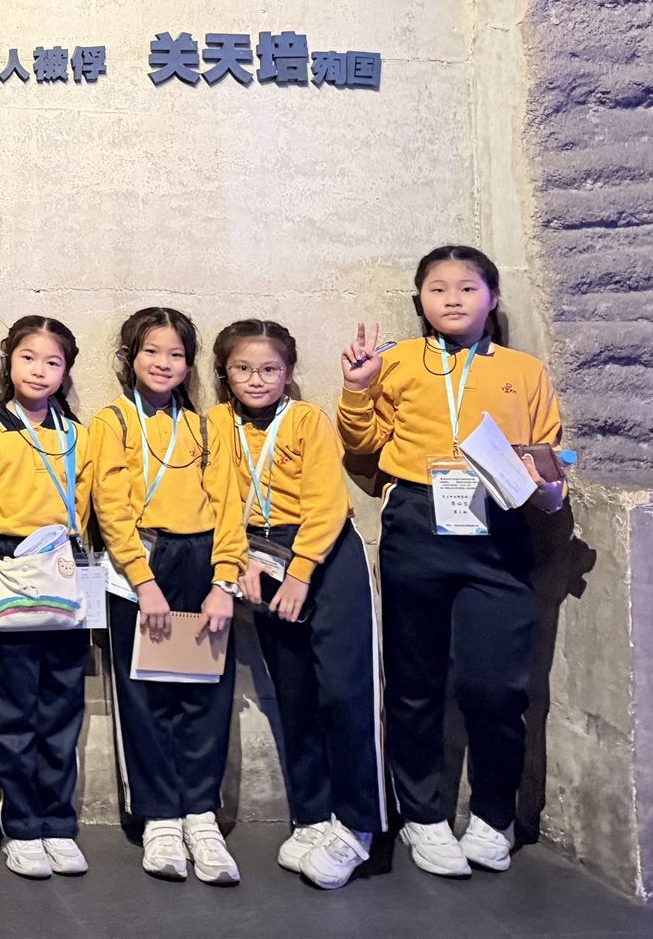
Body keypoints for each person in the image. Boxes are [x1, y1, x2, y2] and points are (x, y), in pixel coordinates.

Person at [338, 245, 566, 877]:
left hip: (499, 523)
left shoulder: (524, 370)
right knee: (414, 680)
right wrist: (357, 388)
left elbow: (546, 454)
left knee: (497, 684)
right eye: (437, 288)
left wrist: (549, 487)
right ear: (420, 300)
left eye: (467, 288)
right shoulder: (396, 361)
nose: (452, 299)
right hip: (417, 518)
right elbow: (362, 443)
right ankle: (422, 815)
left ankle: (494, 816)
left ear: (492, 298)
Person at [210, 319, 382, 889]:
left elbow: (328, 503)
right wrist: (239, 563)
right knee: (294, 693)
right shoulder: (217, 424)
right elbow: (222, 503)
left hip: (324, 557)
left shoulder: (307, 419)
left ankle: (358, 824)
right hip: (260, 556)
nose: (256, 379)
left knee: (344, 693)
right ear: (225, 373)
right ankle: (312, 814)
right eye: (242, 368)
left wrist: (302, 573)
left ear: (287, 373)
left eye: (269, 369)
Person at [88, 307, 244, 885]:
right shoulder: (112, 421)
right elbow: (110, 506)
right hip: (142, 564)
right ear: (129, 357)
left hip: (201, 563)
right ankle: (159, 816)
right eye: (151, 351)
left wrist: (224, 582)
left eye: (176, 354)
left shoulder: (204, 427)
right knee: (146, 694)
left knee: (206, 693)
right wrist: (143, 580)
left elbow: (228, 506)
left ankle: (201, 813)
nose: (163, 363)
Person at [0, 315, 95, 881]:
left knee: (63, 705)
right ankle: (20, 825)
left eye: (52, 362)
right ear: (9, 361)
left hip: (65, 574)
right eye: (28, 358)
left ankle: (58, 822)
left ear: (66, 372)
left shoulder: (78, 435)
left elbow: (84, 507)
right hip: (9, 575)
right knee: (14, 708)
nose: (39, 371)